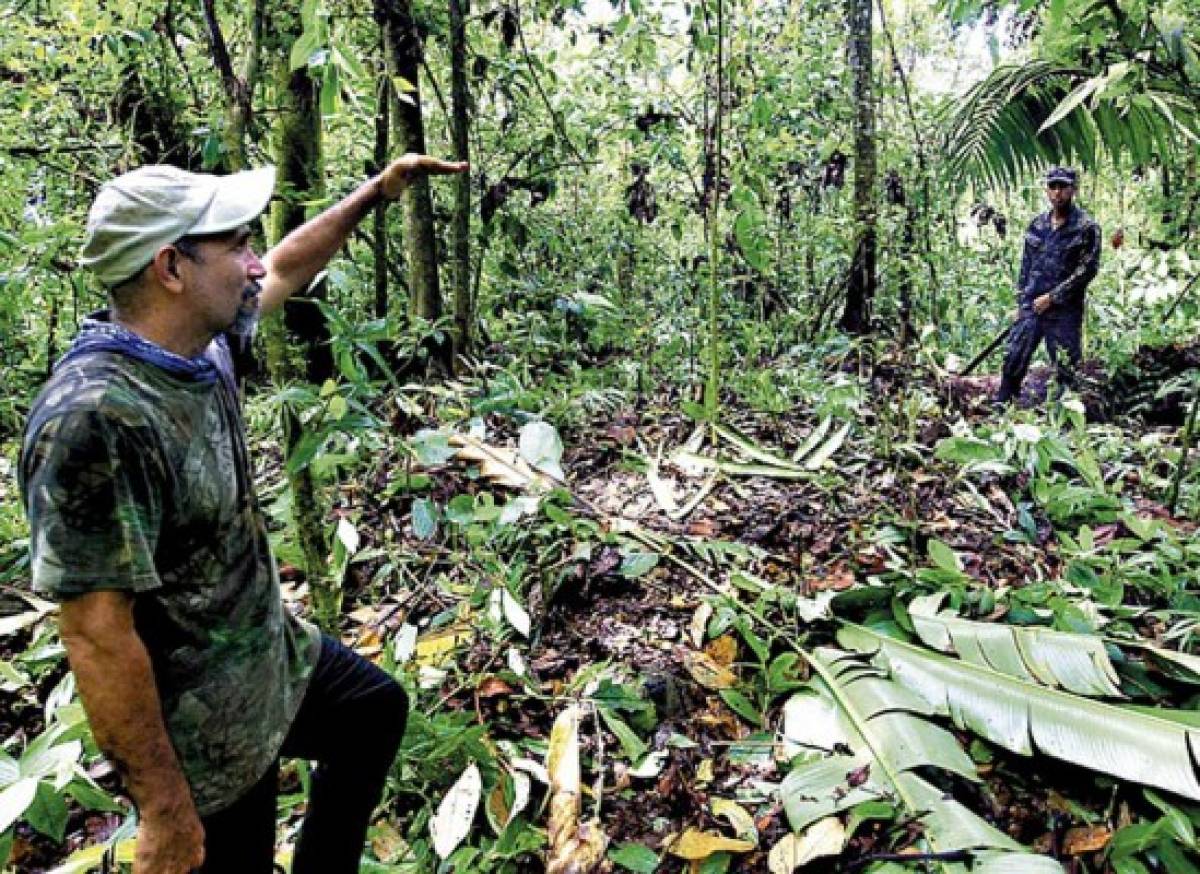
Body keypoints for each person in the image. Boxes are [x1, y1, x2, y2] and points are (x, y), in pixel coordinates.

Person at [19, 153, 466, 874]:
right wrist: (164, 808)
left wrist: (377, 192)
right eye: (236, 244)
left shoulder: (201, 342)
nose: (254, 264)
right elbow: (97, 634)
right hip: (204, 736)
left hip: (270, 664)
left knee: (372, 713)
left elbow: (287, 268)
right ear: (171, 267)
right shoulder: (97, 419)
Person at [995, 166, 1101, 405]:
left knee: (1065, 368)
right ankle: (1001, 409)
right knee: (1013, 357)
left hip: (1064, 311)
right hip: (1033, 305)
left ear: (1073, 190)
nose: (1057, 193)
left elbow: (1086, 270)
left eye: (1063, 187)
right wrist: (1021, 303)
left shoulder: (1085, 228)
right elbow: (1026, 267)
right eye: (1053, 187)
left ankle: (1066, 421)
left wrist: (1053, 297)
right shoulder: (1037, 225)